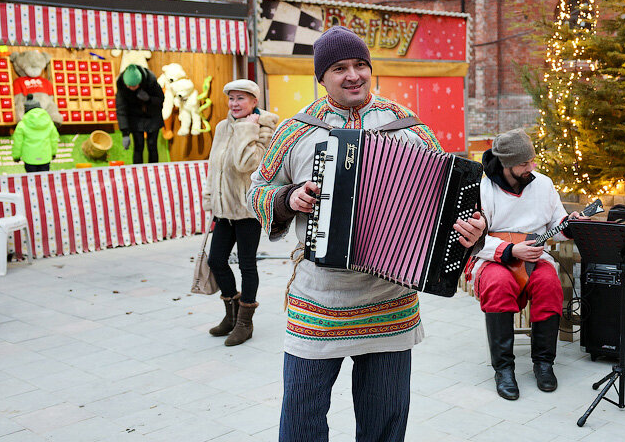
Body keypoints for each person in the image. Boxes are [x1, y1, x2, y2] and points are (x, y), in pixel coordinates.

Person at [247, 25, 486, 442]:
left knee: (385, 422)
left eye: (360, 65)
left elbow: (453, 202)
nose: (353, 75)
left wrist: (472, 230)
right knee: (301, 419)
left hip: (389, 302)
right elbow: (256, 192)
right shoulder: (296, 131)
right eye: (339, 68)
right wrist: (289, 199)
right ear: (321, 78)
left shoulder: (410, 128)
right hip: (319, 301)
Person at [469, 128, 583, 400]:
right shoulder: (483, 189)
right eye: (523, 163)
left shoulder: (543, 184)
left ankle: (544, 364)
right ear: (506, 163)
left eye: (532, 160)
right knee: (498, 284)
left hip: (534, 258)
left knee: (549, 285)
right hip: (494, 258)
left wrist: (569, 226)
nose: (531, 167)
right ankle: (504, 369)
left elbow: (556, 225)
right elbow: (473, 239)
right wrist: (509, 250)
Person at [202, 79, 279, 346]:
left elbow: (247, 164)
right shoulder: (222, 126)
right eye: (232, 98)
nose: (235, 104)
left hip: (247, 209)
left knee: (247, 264)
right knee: (216, 260)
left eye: (241, 99)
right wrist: (210, 198)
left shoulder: (266, 127)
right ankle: (231, 313)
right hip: (224, 210)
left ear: (254, 102)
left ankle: (245, 322)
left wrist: (247, 129)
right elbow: (215, 165)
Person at [115, 63, 164, 164]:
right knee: (138, 146)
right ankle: (137, 172)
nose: (130, 88)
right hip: (135, 118)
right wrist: (125, 133)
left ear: (140, 82)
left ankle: (154, 171)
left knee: (152, 146)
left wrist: (149, 99)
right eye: (128, 85)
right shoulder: (122, 87)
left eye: (133, 86)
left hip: (153, 116)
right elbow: (121, 110)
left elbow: (160, 100)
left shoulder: (151, 82)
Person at [11, 94, 58, 172]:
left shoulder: (22, 124)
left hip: (29, 159)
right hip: (45, 158)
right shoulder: (49, 122)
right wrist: (53, 153)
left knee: (31, 181)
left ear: (26, 109)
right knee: (44, 181)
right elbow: (54, 139)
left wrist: (16, 156)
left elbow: (18, 142)